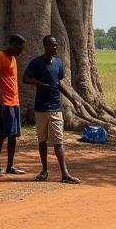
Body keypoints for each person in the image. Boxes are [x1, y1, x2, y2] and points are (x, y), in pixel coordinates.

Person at [22, 35, 81, 184]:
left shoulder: (58, 63)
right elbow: (25, 78)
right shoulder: (36, 63)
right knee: (42, 141)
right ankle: (44, 170)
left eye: (56, 45)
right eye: (52, 45)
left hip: (55, 107)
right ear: (45, 46)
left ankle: (65, 173)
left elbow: (60, 83)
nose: (55, 48)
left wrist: (73, 100)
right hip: (40, 108)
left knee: (58, 142)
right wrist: (38, 84)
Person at [0, 35, 26, 175]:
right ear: (12, 44)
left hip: (14, 102)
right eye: (18, 48)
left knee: (13, 135)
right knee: (2, 135)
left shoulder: (13, 58)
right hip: (5, 102)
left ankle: (10, 165)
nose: (20, 51)